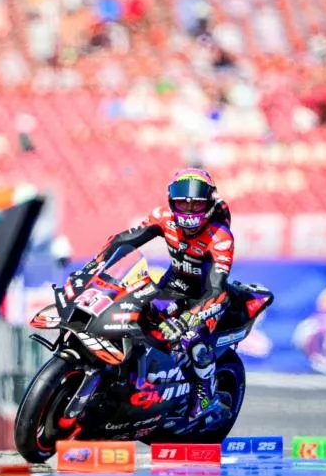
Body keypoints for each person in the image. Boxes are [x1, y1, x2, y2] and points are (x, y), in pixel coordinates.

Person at [90, 168, 235, 421]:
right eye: (182, 204)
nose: (188, 212)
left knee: (194, 342)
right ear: (171, 201)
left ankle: (205, 396)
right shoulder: (162, 216)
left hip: (204, 297)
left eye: (196, 206)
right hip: (173, 286)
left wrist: (187, 319)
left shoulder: (221, 237)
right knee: (129, 312)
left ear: (209, 204)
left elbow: (217, 290)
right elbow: (126, 240)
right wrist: (96, 264)